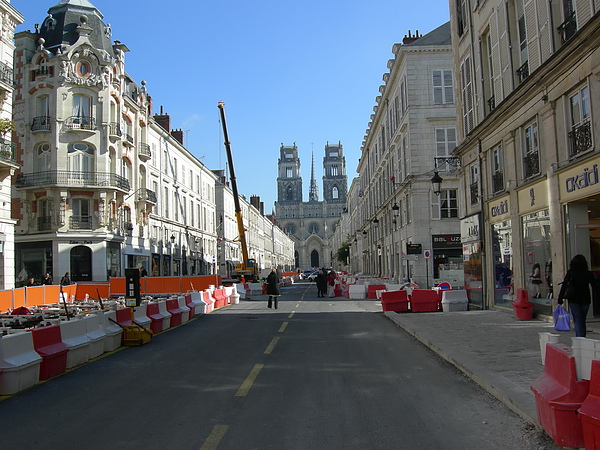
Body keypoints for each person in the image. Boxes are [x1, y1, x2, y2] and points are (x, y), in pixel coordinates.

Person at [557, 254, 598, 337]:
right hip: (585, 299)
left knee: (578, 319)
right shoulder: (588, 274)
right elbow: (595, 287)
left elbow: (564, 286)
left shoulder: (571, 273)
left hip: (573, 299)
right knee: (582, 320)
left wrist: (560, 298)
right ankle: (583, 337)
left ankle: (580, 339)